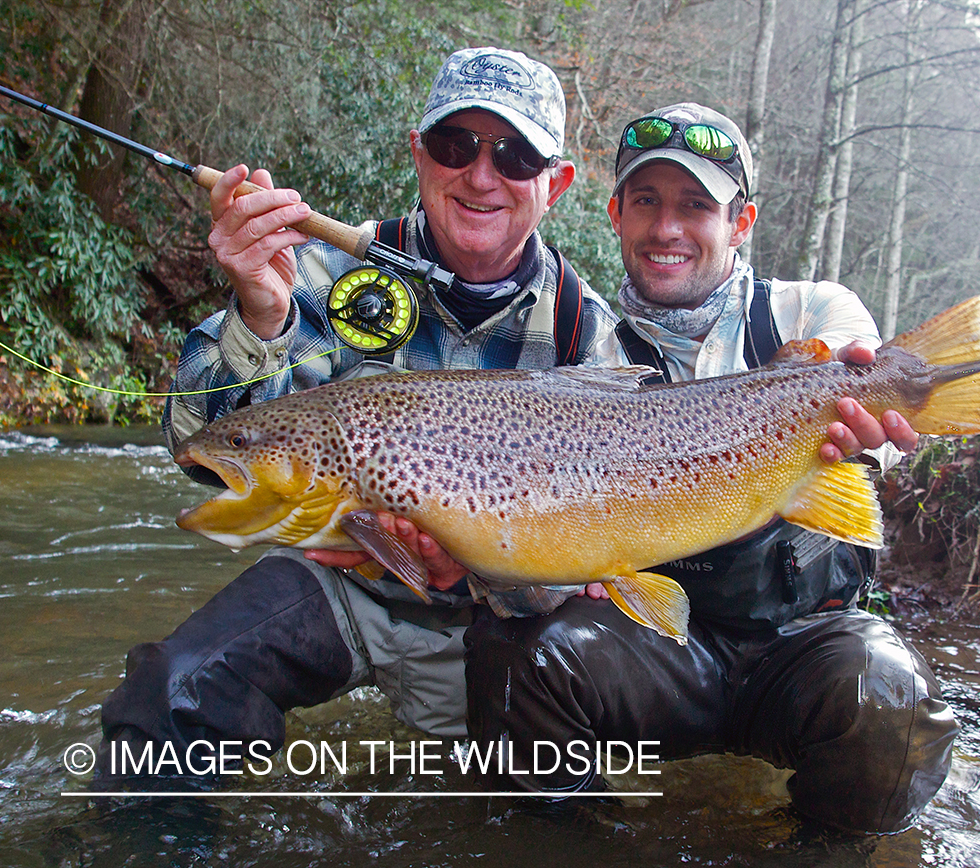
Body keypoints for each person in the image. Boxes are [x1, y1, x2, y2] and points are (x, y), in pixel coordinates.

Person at [94, 47, 620, 781]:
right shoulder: (318, 271)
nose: (479, 174)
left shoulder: (583, 331)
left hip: (498, 624)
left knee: (550, 802)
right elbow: (196, 452)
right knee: (164, 705)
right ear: (418, 153)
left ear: (554, 183)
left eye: (516, 156)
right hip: (340, 588)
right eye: (454, 144)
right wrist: (261, 316)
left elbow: (608, 538)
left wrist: (464, 563)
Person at [462, 103, 959, 834]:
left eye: (695, 206)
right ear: (616, 214)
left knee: (891, 700)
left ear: (742, 221)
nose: (666, 229)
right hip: (662, 651)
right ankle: (578, 843)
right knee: (514, 660)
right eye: (646, 203)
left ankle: (822, 851)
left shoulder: (810, 311)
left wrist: (875, 423)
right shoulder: (585, 357)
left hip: (802, 645)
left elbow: (874, 417)